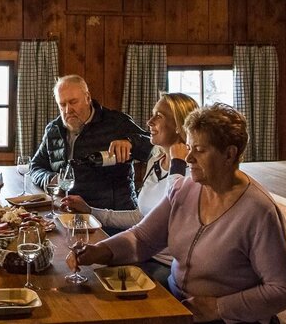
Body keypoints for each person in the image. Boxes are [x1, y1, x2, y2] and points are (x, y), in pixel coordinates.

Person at [68, 103, 286, 323]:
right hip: (176, 301)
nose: (188, 159)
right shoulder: (184, 189)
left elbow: (285, 289)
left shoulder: (259, 210)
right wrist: (99, 251)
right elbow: (143, 238)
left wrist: (219, 308)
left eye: (199, 150)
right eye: (189, 148)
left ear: (229, 154)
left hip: (229, 318)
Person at [61, 93, 197, 284]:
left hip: (171, 268)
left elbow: (172, 211)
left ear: (179, 125)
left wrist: (178, 163)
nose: (149, 121)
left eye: (159, 116)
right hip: (143, 254)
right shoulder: (156, 158)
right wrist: (91, 211)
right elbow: (141, 218)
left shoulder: (194, 171)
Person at [28, 75, 152, 211]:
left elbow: (157, 147)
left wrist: (132, 143)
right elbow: (35, 166)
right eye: (62, 105)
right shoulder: (54, 129)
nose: (68, 110)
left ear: (87, 98)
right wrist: (51, 179)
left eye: (73, 102)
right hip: (68, 212)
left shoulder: (116, 123)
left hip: (112, 216)